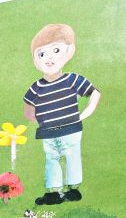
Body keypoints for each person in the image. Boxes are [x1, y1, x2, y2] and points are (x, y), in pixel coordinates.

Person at [22, 23, 100, 205]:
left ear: (69, 52)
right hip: (48, 132)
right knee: (52, 159)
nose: (48, 58)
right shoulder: (36, 87)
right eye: (41, 54)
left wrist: (84, 114)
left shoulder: (73, 79)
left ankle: (73, 189)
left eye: (55, 50)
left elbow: (94, 93)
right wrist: (40, 121)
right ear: (35, 60)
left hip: (72, 129)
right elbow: (28, 108)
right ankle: (54, 192)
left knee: (72, 156)